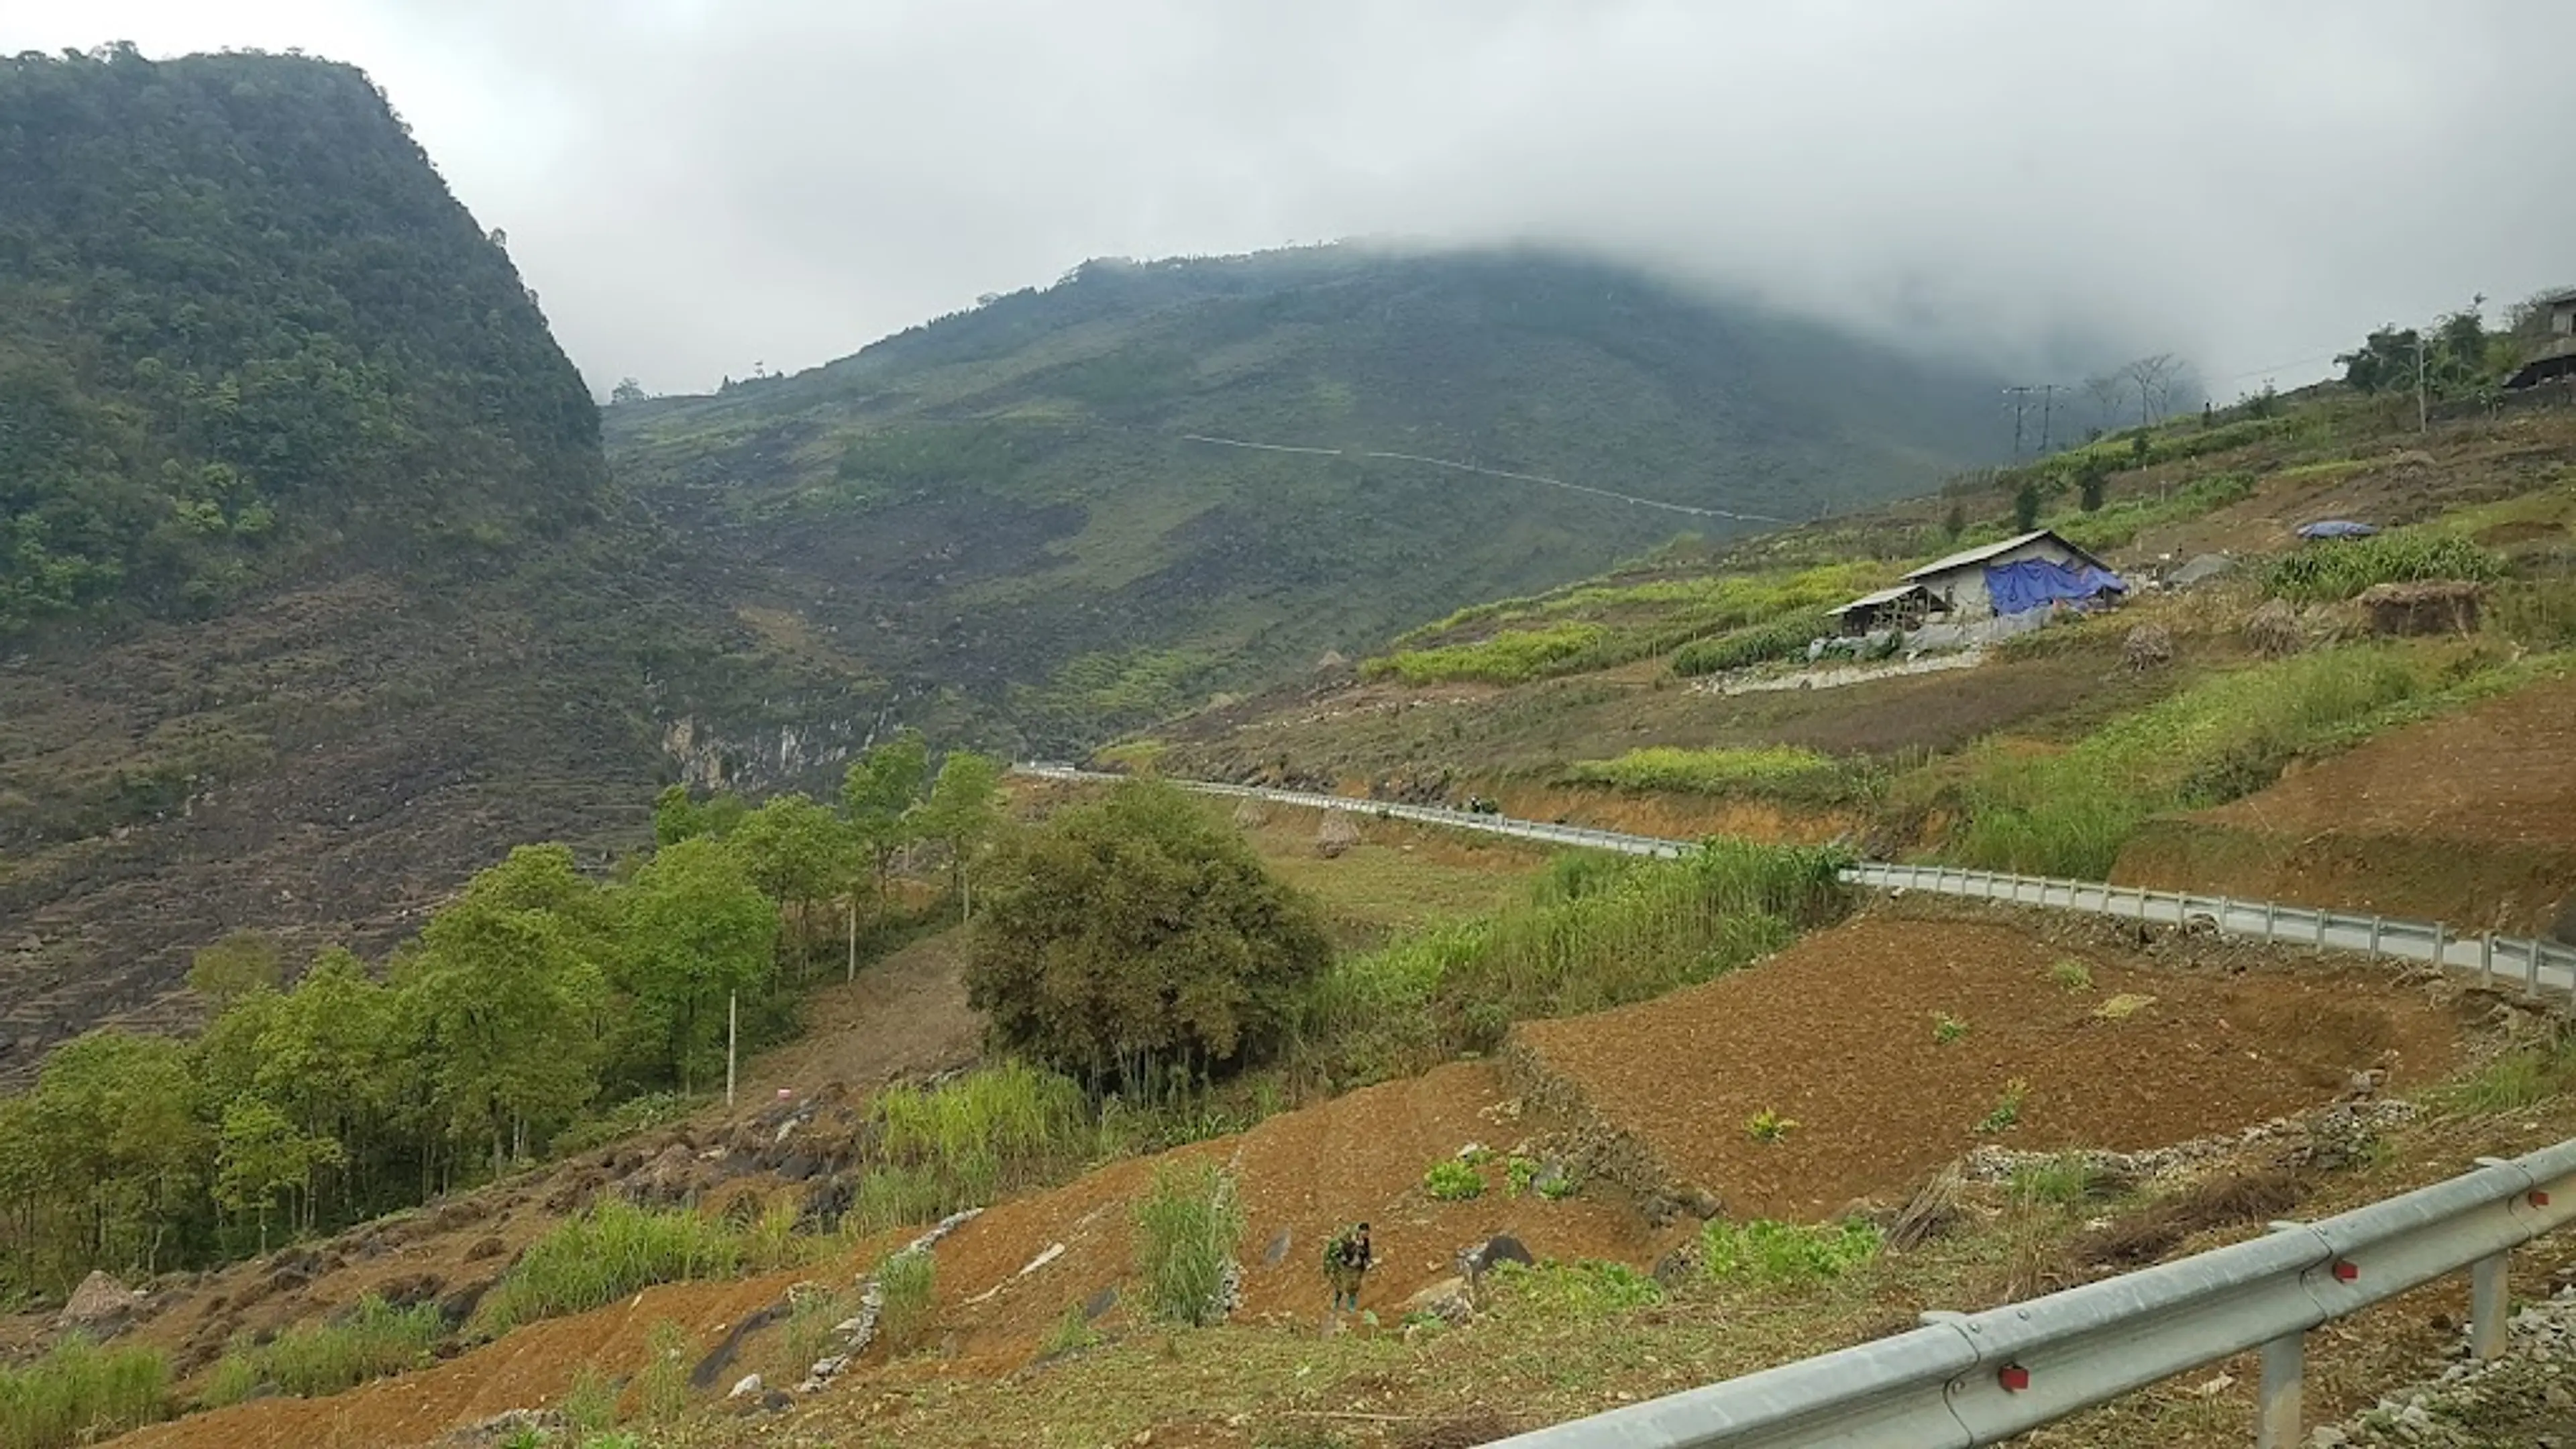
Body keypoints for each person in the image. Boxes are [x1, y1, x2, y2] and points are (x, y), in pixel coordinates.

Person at [1324, 1221, 1373, 1313]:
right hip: (1346, 1266)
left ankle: (1351, 1306)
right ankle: (1336, 1302)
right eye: (1365, 1232)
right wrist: (1355, 1245)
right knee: (1340, 1284)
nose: (1366, 1235)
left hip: (1357, 1267)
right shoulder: (1350, 1239)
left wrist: (1368, 1261)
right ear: (1360, 1231)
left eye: (1367, 1233)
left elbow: (1367, 1252)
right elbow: (1344, 1249)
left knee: (1354, 1287)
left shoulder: (1365, 1241)